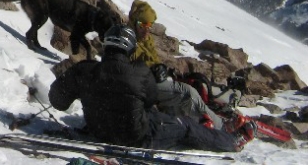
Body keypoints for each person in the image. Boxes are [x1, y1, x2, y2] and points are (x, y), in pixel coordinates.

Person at [49, 25, 255, 152]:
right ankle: (230, 141)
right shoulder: (139, 71)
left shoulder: (83, 70)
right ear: (129, 48)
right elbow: (150, 101)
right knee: (185, 126)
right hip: (138, 137)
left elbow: (57, 100)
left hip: (98, 130)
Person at [127, 0, 225, 129]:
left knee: (191, 87)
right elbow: (129, 71)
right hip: (142, 86)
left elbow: (153, 61)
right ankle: (221, 127)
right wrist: (151, 72)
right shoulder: (128, 40)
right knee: (187, 93)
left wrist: (159, 69)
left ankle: (197, 123)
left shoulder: (146, 40)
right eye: (142, 25)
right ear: (134, 23)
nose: (146, 30)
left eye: (149, 25)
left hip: (150, 82)